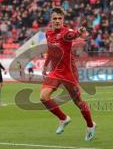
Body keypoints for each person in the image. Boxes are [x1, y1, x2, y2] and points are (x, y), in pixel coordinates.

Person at [41, 8, 96, 141]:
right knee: (43, 97)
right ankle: (63, 118)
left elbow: (73, 35)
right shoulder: (48, 33)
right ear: (51, 20)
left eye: (60, 18)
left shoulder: (67, 32)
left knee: (78, 102)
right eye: (55, 18)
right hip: (55, 71)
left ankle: (90, 125)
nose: (57, 21)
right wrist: (45, 65)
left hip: (68, 73)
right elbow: (50, 50)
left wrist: (79, 32)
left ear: (63, 20)